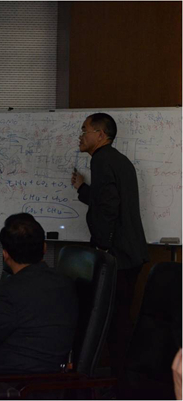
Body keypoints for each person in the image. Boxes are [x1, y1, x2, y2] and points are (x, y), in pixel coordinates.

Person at [71, 113, 149, 382]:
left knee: (115, 324)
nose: (81, 136)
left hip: (119, 256)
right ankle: (122, 382)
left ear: (100, 135)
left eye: (85, 130)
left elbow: (107, 208)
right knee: (119, 321)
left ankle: (121, 385)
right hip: (130, 253)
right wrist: (82, 189)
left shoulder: (101, 160)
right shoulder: (117, 160)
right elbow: (106, 198)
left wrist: (102, 249)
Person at [0, 213, 78, 375]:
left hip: (9, 380)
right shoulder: (66, 282)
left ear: (5, 254)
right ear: (44, 248)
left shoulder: (4, 294)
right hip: (50, 377)